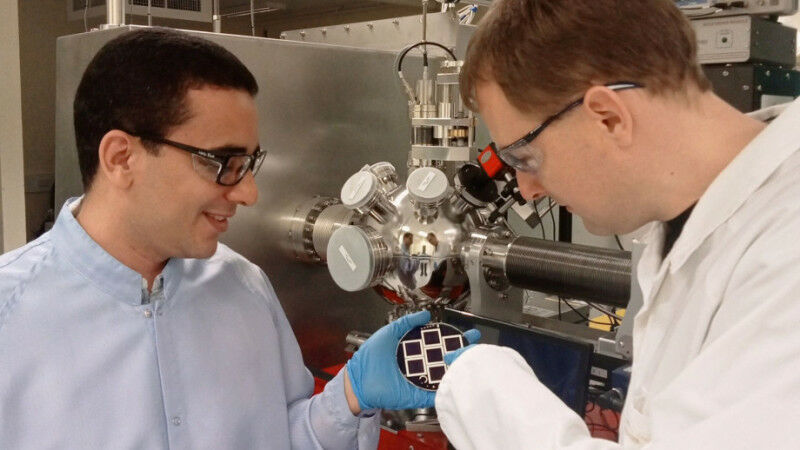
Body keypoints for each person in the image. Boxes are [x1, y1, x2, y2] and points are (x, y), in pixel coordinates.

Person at [0, 28, 477, 449]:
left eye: (249, 163)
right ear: (122, 158)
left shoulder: (242, 285)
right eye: (222, 163)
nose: (249, 193)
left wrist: (351, 395)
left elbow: (284, 437)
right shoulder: (10, 316)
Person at [434, 0, 800, 448]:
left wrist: (473, 382)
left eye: (524, 158)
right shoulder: (691, 225)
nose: (526, 190)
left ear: (609, 117)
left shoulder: (786, 254)